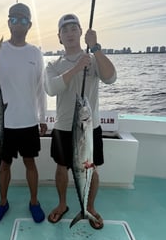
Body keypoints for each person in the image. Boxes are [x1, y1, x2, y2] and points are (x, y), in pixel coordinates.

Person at [0, 3, 48, 224]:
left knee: (30, 162)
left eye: (23, 20)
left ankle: (34, 202)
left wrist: (42, 118)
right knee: (4, 165)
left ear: (29, 25)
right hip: (1, 122)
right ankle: (2, 202)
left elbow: (40, 89)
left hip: (28, 122)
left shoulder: (35, 53)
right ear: (8, 22)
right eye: (14, 19)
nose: (18, 23)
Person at [45, 14, 117, 228]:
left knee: (91, 168)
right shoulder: (53, 65)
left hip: (89, 128)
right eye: (64, 30)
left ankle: (89, 207)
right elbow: (51, 88)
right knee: (61, 168)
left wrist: (95, 48)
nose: (69, 33)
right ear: (59, 37)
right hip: (63, 127)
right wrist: (77, 68)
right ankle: (62, 204)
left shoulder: (94, 59)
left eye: (73, 28)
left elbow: (111, 78)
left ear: (81, 33)